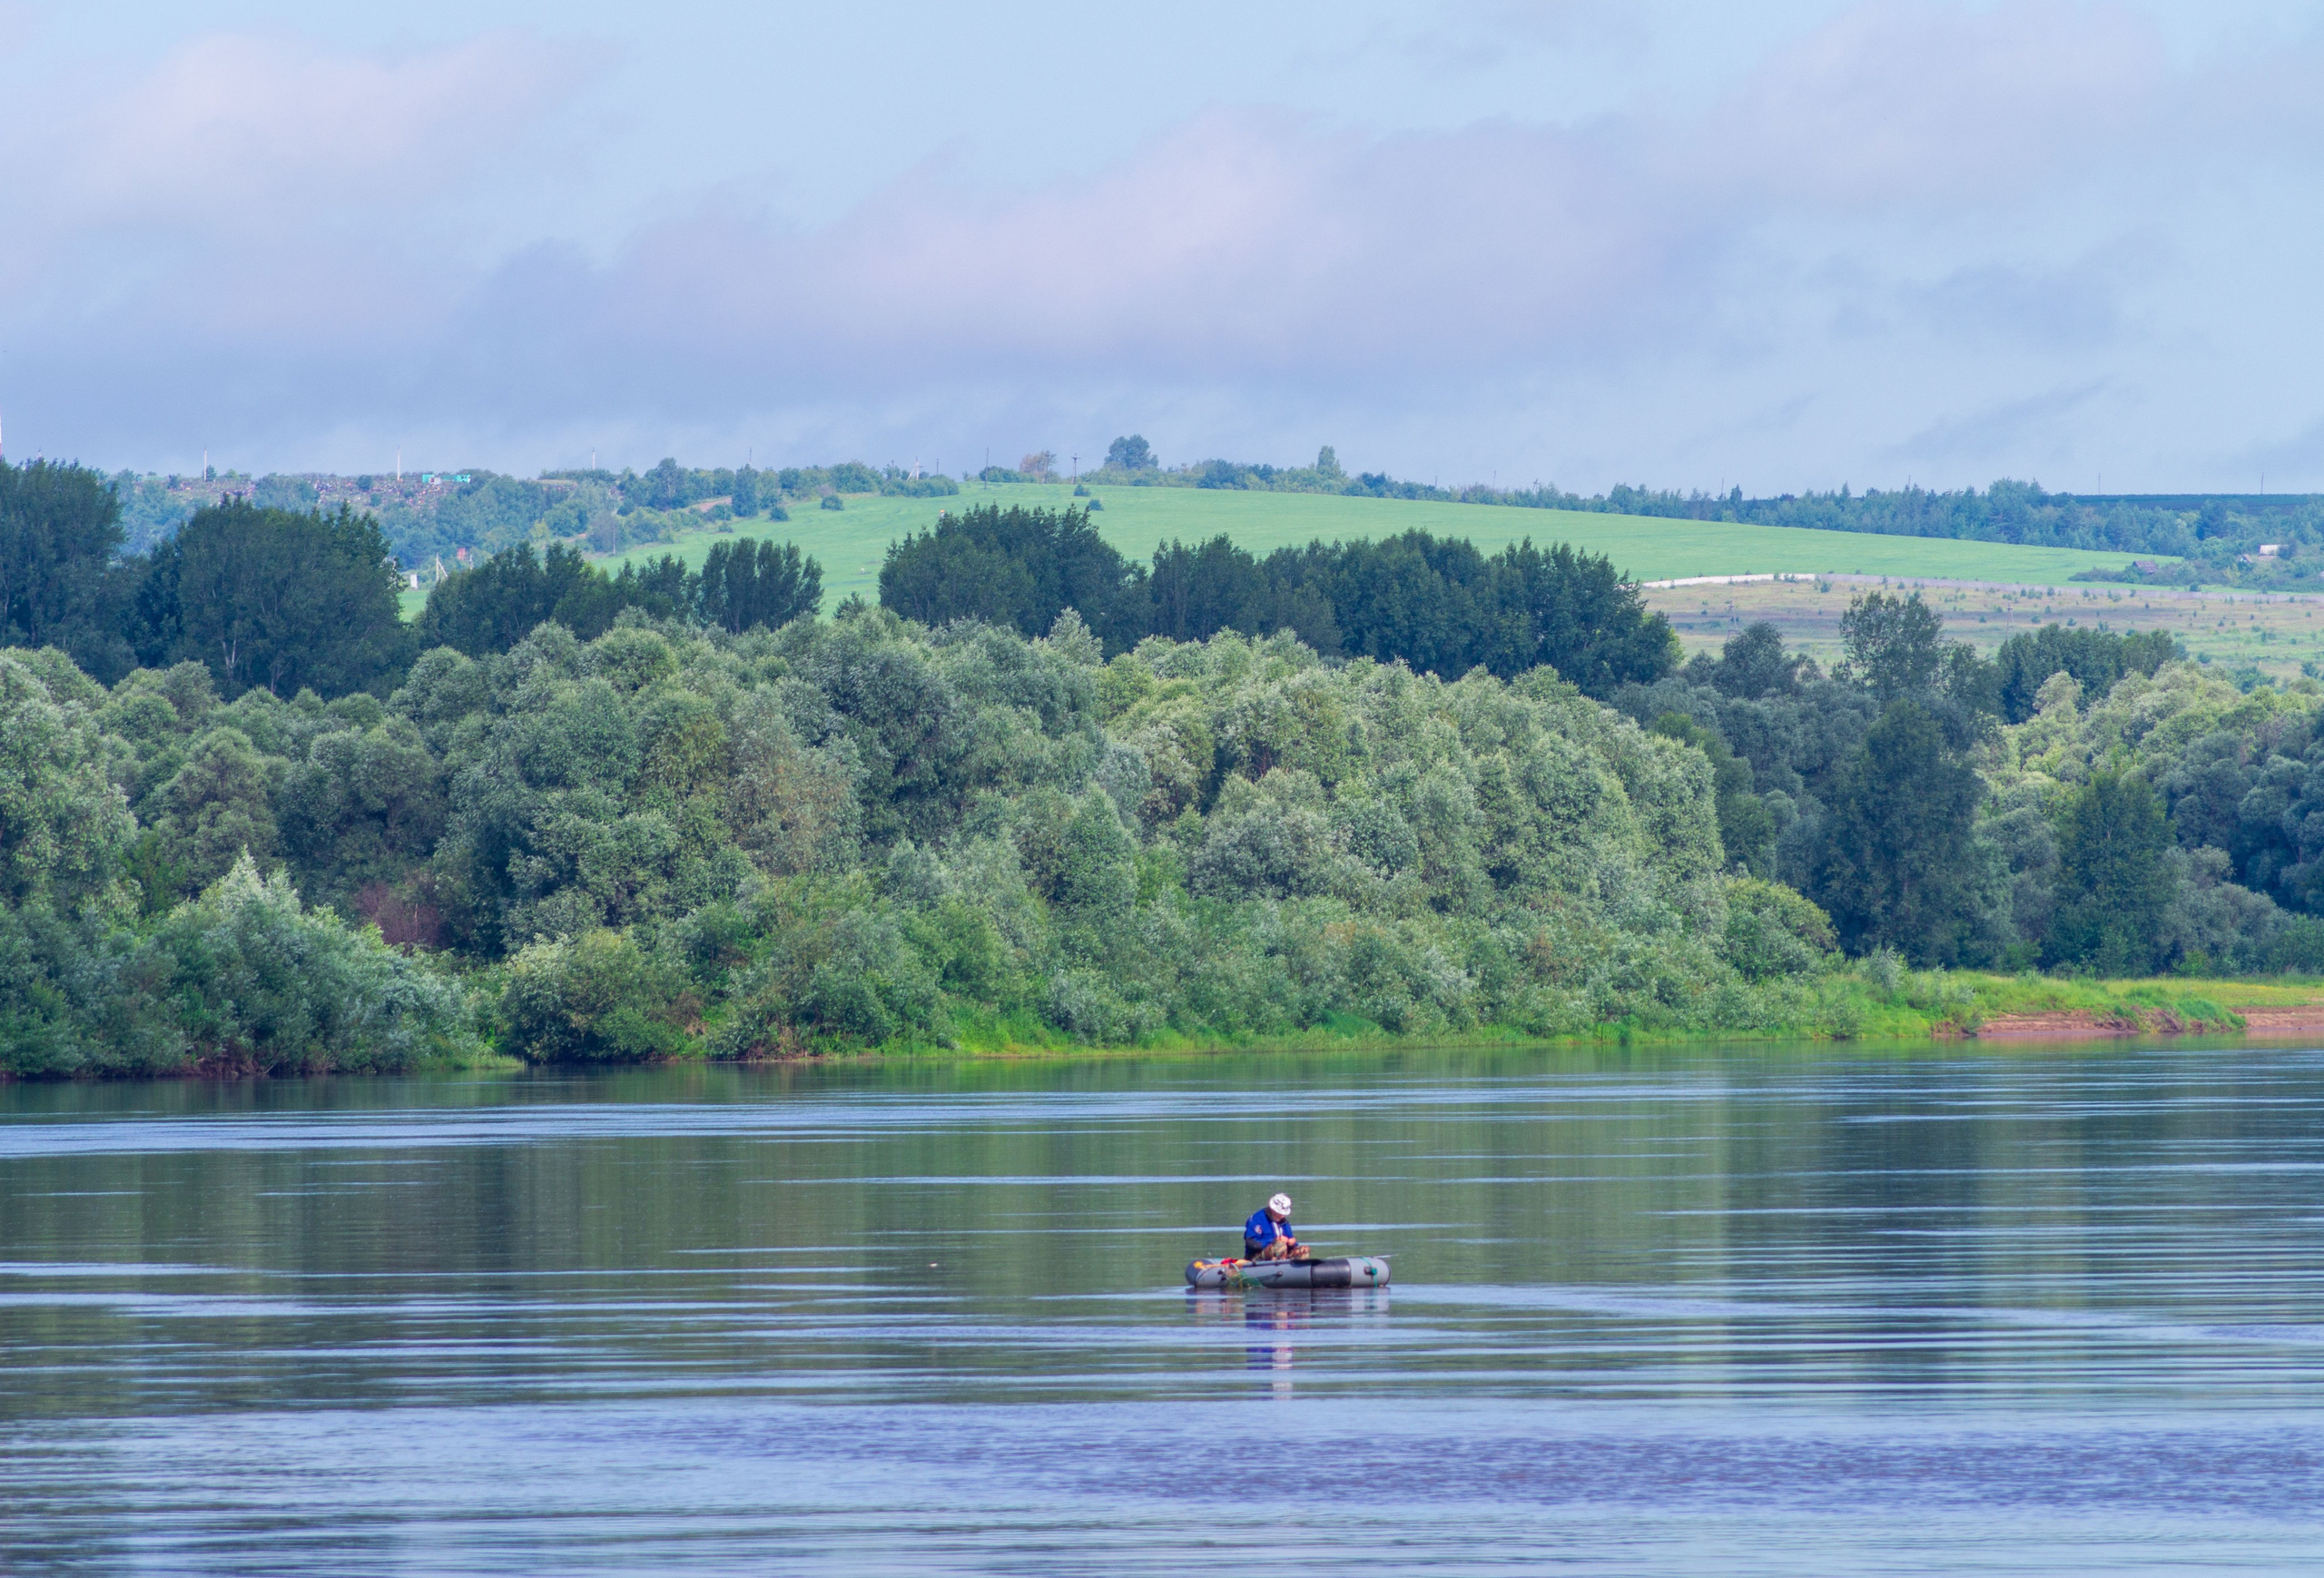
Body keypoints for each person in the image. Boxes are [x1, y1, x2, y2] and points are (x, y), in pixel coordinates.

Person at [1244, 1192, 1309, 1261]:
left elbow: (1290, 1240)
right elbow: (1251, 1243)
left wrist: (1292, 1243)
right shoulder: (1257, 1219)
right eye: (1280, 1213)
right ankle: (1277, 1265)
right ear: (1273, 1209)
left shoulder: (1284, 1222)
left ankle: (1296, 1266)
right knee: (1280, 1245)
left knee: (1304, 1250)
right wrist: (1274, 1240)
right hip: (1257, 1256)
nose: (1283, 1215)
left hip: (1282, 1254)